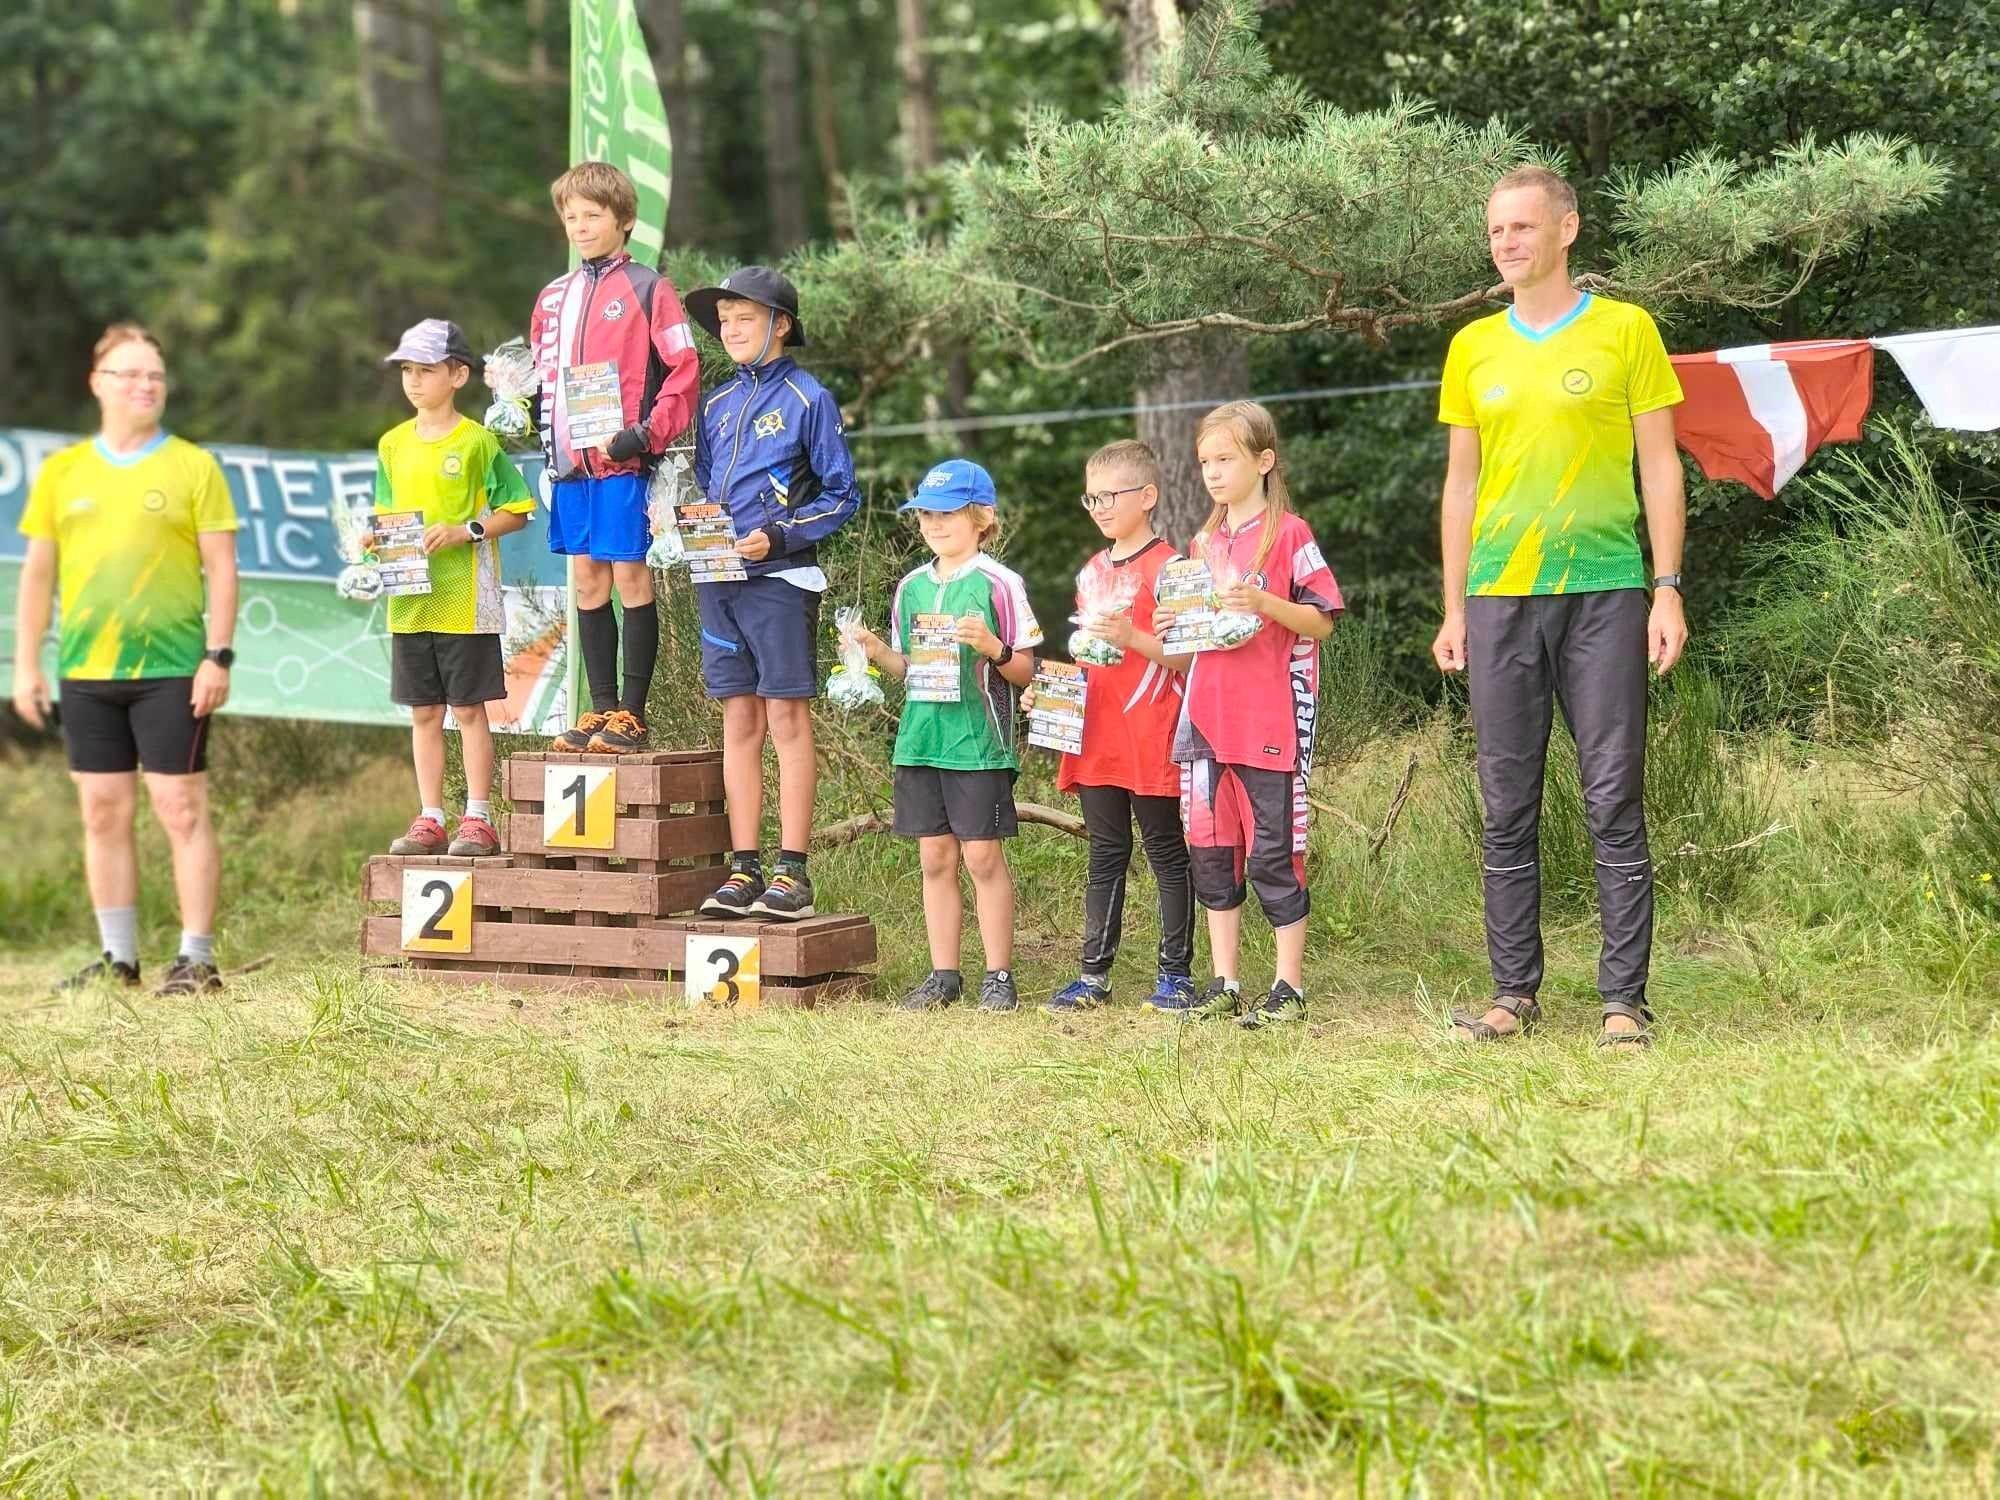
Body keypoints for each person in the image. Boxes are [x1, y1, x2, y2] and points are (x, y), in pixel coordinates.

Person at [1431, 165, 1688, 1049]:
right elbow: (1460, 487)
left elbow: (1661, 464)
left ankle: (1624, 1001)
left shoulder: (1626, 330)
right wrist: (1454, 608)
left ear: (1567, 229)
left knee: (1612, 795)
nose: (1506, 243)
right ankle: (1514, 993)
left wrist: (1666, 588)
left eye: (1522, 227)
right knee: (1506, 802)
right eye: (1495, 230)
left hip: (1606, 591)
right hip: (1499, 597)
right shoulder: (1472, 347)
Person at [11, 323, 240, 995]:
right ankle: (119, 959)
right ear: (98, 383)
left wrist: (217, 656)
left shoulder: (193, 466)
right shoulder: (63, 472)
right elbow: (37, 576)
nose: (146, 386)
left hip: (172, 668)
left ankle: (196, 959)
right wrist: (25, 665)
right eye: (131, 374)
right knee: (102, 812)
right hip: (85, 672)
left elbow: (223, 570)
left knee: (180, 807)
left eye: (156, 376)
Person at [681, 266, 860, 920]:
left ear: (780, 325)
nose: (730, 329)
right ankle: (744, 868)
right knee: (739, 720)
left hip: (781, 581)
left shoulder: (810, 399)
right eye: (723, 320)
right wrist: (689, 526)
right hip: (719, 581)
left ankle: (794, 872)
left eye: (745, 318)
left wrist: (779, 537)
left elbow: (842, 494)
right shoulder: (714, 404)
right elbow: (706, 486)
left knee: (786, 718)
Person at [848, 461, 1042, 1012]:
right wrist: (874, 651)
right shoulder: (910, 587)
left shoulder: (1000, 583)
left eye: (948, 513)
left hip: (979, 743)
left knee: (981, 856)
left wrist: (993, 647)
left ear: (982, 518)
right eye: (926, 514)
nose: (934, 524)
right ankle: (944, 975)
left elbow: (1026, 670)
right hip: (920, 739)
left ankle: (999, 976)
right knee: (934, 856)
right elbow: (909, 667)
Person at [1173, 402, 1342, 1028]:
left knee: (1274, 851)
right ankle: (1225, 982)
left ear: (1264, 461)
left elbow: (1321, 620)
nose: (1213, 473)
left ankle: (1287, 986)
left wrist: (1264, 601)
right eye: (1205, 462)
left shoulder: (1290, 533)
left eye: (1226, 459)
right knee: (1212, 850)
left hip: (1269, 718)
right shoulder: (1200, 543)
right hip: (1205, 718)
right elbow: (1192, 637)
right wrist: (1173, 621)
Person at [529, 160, 700, 754]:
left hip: (625, 461)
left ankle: (633, 712)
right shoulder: (553, 297)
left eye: (593, 215)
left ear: (624, 219)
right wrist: (525, 408)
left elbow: (683, 371)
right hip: (570, 466)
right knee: (586, 579)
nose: (580, 226)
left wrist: (645, 434)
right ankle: (599, 707)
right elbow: (541, 376)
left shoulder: (650, 288)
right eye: (571, 217)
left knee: (629, 573)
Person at [1037, 439, 1196, 1014]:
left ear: (1147, 496)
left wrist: (1132, 637)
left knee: (1165, 851)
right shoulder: (1091, 571)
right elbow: (1086, 657)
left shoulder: (1174, 568)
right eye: (1091, 498)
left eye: (1111, 496)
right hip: (1097, 733)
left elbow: (1188, 658)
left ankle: (1175, 976)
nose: (1100, 507)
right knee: (1105, 852)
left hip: (1152, 731)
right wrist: (1050, 697)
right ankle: (1092, 976)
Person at [372, 319, 537, 857]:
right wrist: (373, 543)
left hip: (466, 600)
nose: (414, 381)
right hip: (410, 602)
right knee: (423, 712)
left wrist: (466, 530)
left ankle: (478, 817)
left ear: (458, 375)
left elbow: (518, 509)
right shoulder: (392, 445)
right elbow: (385, 515)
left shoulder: (477, 442)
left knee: (468, 710)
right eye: (407, 370)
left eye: (426, 370)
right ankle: (430, 816)